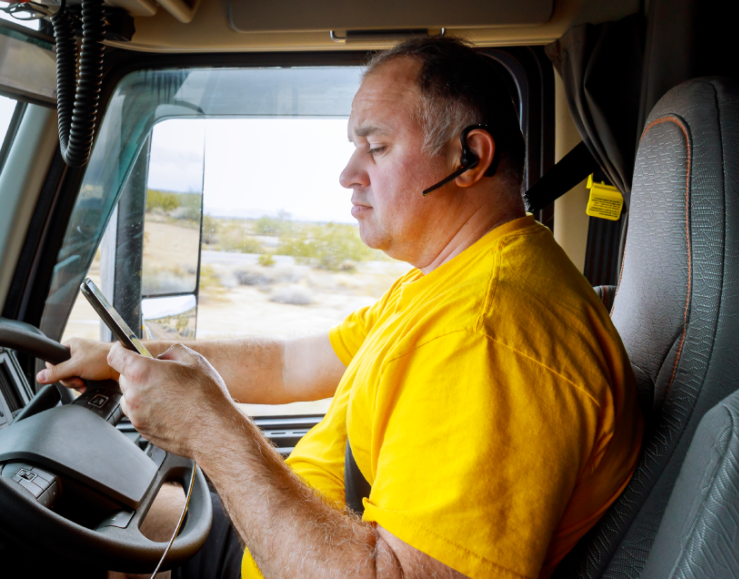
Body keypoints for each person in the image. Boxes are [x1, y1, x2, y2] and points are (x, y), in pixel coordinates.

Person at [37, 37, 644, 579]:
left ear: (470, 160)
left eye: (375, 148)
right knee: (98, 509)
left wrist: (212, 430)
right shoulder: (449, 280)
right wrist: (128, 359)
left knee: (61, 535)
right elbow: (289, 363)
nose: (347, 174)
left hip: (313, 555)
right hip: (301, 534)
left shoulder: (487, 333)